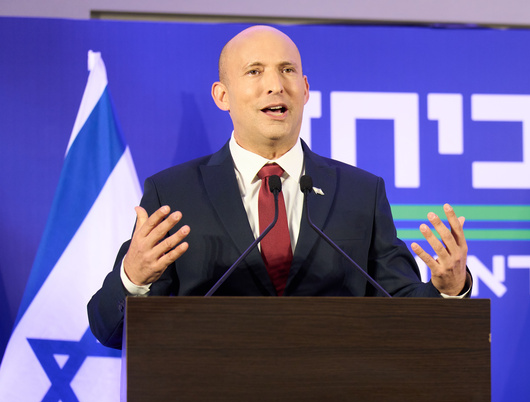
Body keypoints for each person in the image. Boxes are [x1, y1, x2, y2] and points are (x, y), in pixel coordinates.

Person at [88, 25, 470, 349]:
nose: (275, 85)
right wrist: (133, 278)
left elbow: (404, 310)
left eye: (287, 70)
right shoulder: (175, 193)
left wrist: (448, 291)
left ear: (304, 89)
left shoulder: (360, 193)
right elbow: (110, 330)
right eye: (255, 72)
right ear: (223, 96)